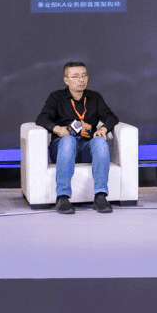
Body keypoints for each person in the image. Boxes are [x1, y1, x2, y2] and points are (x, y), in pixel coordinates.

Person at [35, 62, 119, 214]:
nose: (81, 80)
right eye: (75, 76)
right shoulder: (56, 97)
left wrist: (103, 129)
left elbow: (111, 117)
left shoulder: (94, 97)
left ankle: (100, 196)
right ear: (66, 80)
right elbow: (42, 119)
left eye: (84, 75)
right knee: (69, 140)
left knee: (100, 142)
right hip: (62, 147)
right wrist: (57, 129)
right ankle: (62, 197)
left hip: (86, 147)